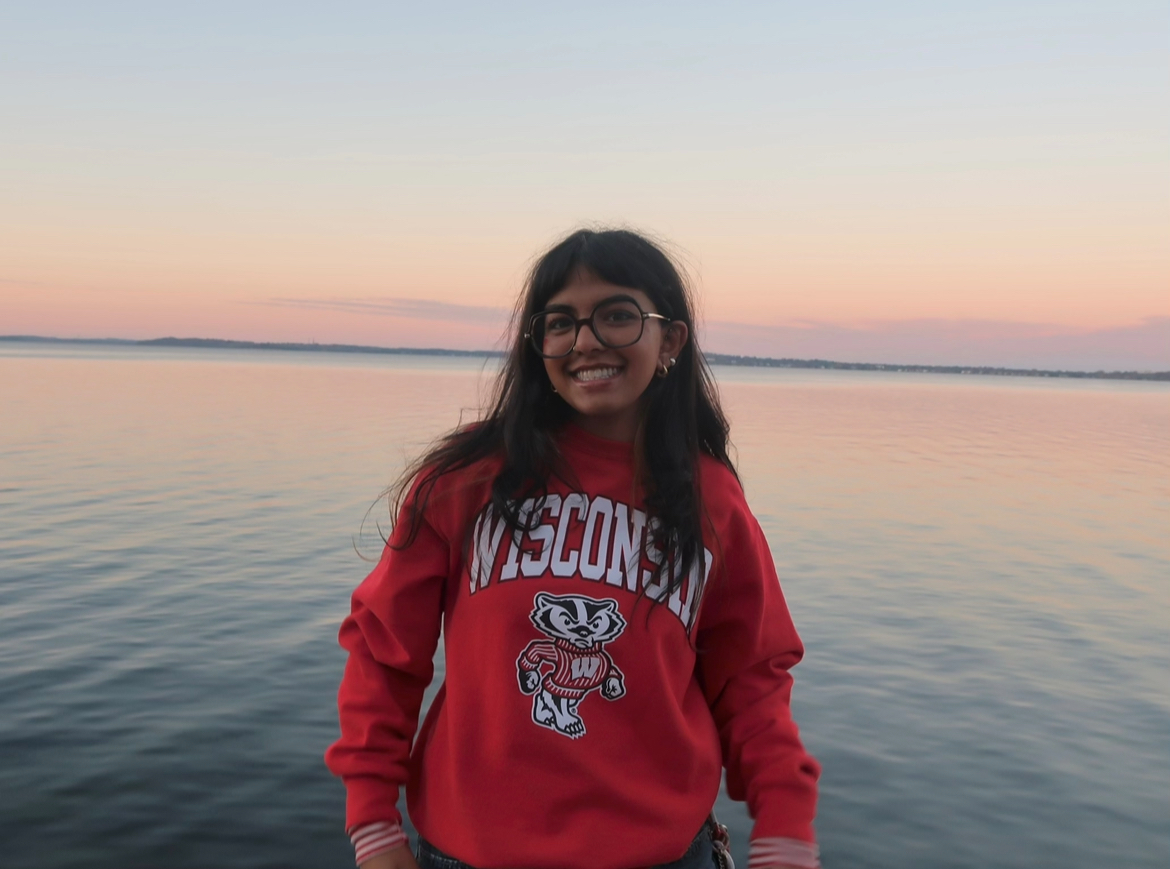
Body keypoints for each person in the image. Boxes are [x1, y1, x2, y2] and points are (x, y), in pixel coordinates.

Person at [325, 228, 822, 869]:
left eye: (617, 315)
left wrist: (785, 829)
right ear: (539, 347)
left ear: (670, 340)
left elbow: (752, 681)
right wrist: (373, 826)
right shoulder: (465, 480)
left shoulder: (711, 500)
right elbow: (383, 654)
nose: (585, 340)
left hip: (663, 856)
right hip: (469, 853)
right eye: (560, 323)